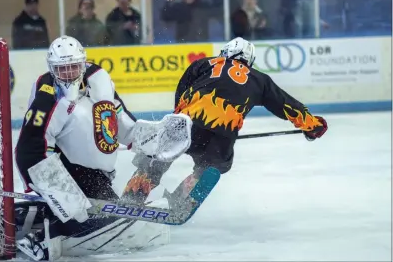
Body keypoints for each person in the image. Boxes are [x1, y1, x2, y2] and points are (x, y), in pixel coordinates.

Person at [14, 36, 190, 261]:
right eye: (62, 69)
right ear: (52, 68)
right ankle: (44, 235)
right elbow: (29, 151)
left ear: (83, 63)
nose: (68, 73)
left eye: (73, 67)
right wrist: (61, 192)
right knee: (97, 220)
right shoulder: (47, 98)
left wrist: (155, 141)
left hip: (97, 176)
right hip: (69, 173)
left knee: (107, 218)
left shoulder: (99, 78)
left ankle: (36, 217)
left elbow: (118, 120)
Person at [122, 37, 328, 207]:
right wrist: (312, 125)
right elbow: (286, 105)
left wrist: (174, 125)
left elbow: (181, 92)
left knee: (158, 155)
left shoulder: (204, 63)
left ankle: (133, 195)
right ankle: (181, 200)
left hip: (186, 122)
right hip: (222, 135)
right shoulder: (259, 79)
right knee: (214, 166)